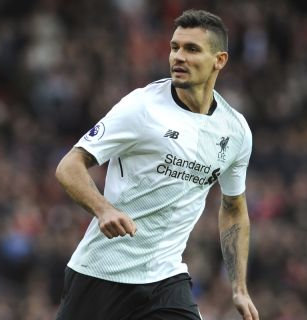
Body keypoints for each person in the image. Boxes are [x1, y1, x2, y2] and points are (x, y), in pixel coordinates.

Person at [55, 9, 259, 320]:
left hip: (166, 278)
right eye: (174, 47)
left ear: (219, 60)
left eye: (192, 49)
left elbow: (234, 207)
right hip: (102, 274)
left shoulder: (235, 130)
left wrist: (239, 287)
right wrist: (103, 208)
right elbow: (69, 166)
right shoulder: (142, 107)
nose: (179, 57)